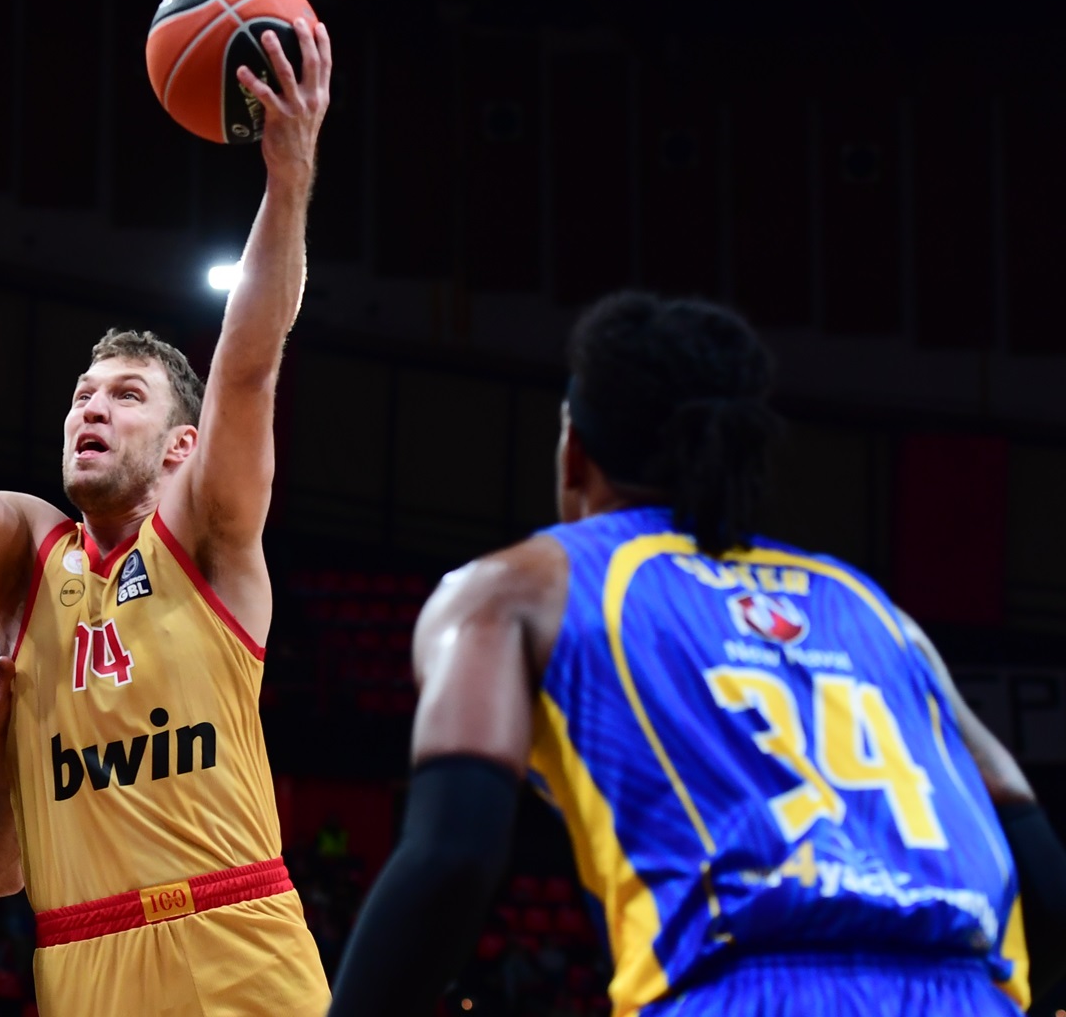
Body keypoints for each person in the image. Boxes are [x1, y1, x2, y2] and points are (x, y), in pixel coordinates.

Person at [0, 20, 335, 1015]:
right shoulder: (28, 554)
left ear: (181, 446)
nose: (92, 409)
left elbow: (250, 361)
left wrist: (288, 181)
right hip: (80, 957)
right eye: (84, 395)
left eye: (125, 396)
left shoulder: (208, 533)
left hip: (236, 938)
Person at [329, 292, 1066, 1015]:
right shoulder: (876, 612)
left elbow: (452, 858)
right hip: (971, 990)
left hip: (740, 985)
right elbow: (1042, 869)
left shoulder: (517, 588)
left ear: (574, 451)